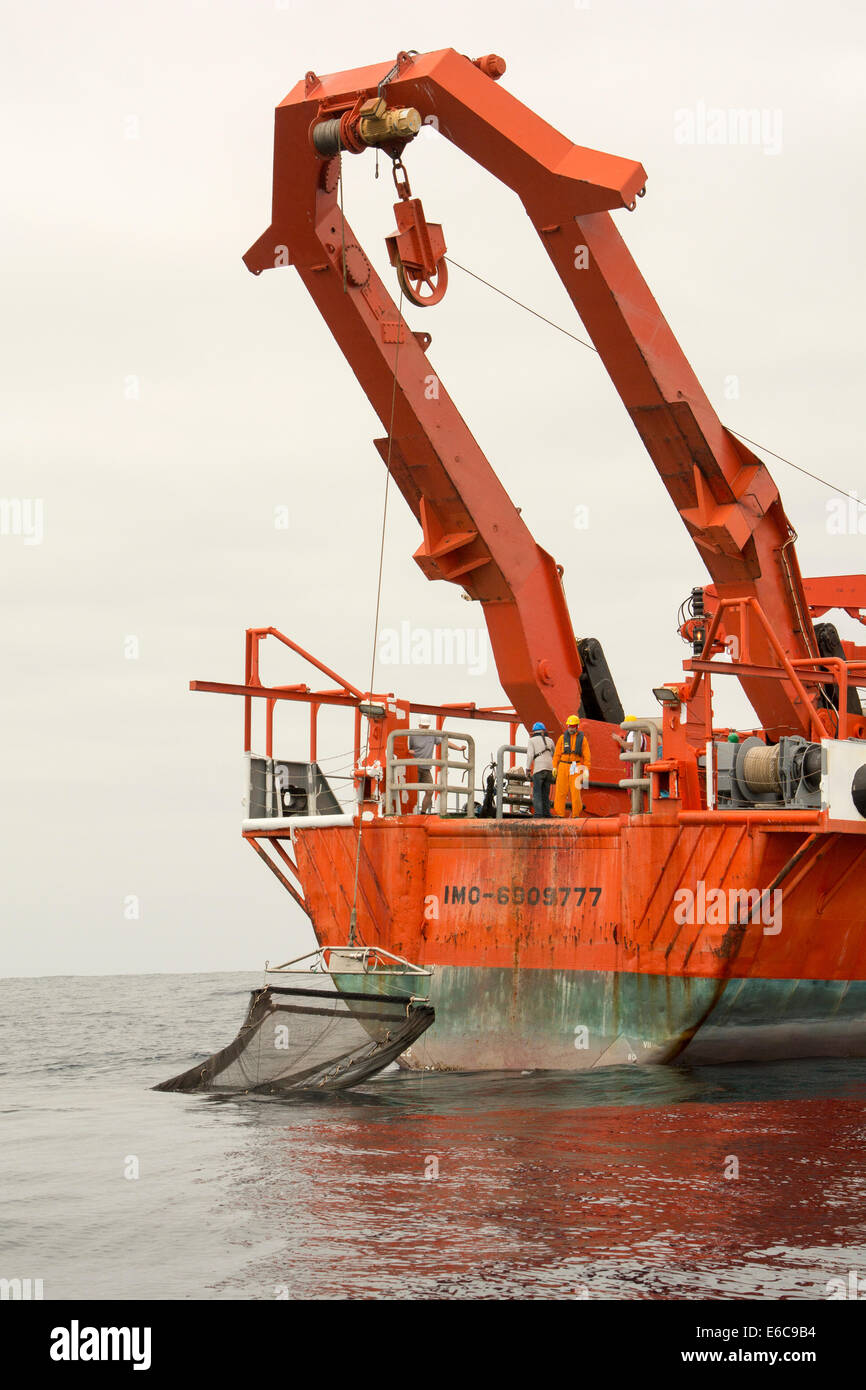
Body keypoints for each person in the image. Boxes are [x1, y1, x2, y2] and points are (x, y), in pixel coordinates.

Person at [408, 716, 466, 813]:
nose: (425, 729)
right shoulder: (412, 735)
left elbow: (445, 742)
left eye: (427, 727)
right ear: (419, 725)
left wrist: (459, 748)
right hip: (414, 767)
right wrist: (409, 751)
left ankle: (422, 812)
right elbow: (406, 748)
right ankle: (409, 812)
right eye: (423, 727)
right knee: (411, 790)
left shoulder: (432, 735)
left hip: (426, 769)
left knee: (430, 791)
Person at [553, 714, 591, 818]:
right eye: (569, 726)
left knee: (575, 792)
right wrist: (554, 767)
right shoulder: (562, 738)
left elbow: (587, 757)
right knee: (560, 792)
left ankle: (575, 814)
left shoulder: (583, 740)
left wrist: (586, 771)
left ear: (577, 726)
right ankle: (560, 814)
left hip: (576, 766)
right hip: (563, 766)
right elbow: (556, 754)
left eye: (573, 726)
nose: (570, 728)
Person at [526, 721, 555, 818]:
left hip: (539, 768)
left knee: (537, 792)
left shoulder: (532, 741)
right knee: (545, 793)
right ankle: (547, 814)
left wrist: (528, 769)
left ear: (533, 731)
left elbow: (530, 755)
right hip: (549, 768)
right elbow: (553, 754)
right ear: (543, 731)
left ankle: (538, 814)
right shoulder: (550, 740)